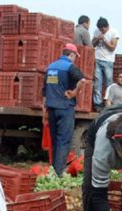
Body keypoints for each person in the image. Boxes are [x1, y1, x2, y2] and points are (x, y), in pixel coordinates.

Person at [43, 43, 87, 177]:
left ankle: (54, 169)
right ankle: (58, 172)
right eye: (75, 57)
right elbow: (83, 80)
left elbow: (44, 91)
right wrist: (74, 93)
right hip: (65, 108)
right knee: (64, 141)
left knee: (55, 140)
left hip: (51, 108)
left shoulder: (50, 67)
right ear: (72, 54)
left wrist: (43, 112)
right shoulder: (69, 67)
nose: (75, 59)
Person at [91, 17, 120, 111]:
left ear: (106, 27)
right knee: (97, 83)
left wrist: (104, 40)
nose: (101, 31)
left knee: (108, 83)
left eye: (102, 29)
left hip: (108, 60)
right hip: (97, 59)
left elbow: (112, 48)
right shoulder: (97, 31)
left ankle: (108, 103)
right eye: (99, 29)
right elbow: (92, 44)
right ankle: (97, 104)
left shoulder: (114, 32)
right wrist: (97, 38)